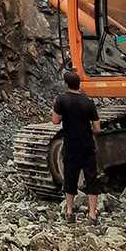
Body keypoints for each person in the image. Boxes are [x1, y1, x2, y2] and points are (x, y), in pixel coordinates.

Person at [52, 68, 100, 224]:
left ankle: (69, 212)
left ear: (66, 84)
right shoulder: (88, 101)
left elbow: (55, 121)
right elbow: (97, 128)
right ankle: (92, 214)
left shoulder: (61, 100)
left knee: (70, 178)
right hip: (87, 145)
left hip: (71, 145)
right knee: (91, 178)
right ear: (79, 84)